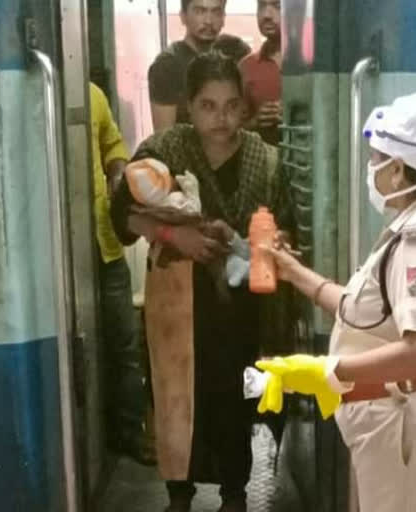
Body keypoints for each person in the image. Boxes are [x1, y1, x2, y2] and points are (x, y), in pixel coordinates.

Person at [258, 93, 416, 512]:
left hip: (409, 420)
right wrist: (292, 271)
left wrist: (329, 371)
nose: (371, 168)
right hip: (404, 417)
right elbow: (366, 314)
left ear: (397, 171)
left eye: (376, 158)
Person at [111, 51, 294, 512]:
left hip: (243, 306)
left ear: (245, 108)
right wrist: (175, 234)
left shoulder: (266, 160)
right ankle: (179, 494)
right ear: (189, 107)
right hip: (177, 303)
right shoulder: (164, 151)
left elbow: (287, 228)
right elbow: (120, 213)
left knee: (235, 397)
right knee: (175, 396)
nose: (222, 117)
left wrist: (267, 243)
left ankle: (235, 491)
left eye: (232, 105)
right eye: (208, 106)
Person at [88, 83, 153, 464]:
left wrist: (117, 173)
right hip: (58, 246)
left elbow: (113, 145)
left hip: (104, 243)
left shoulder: (93, 95)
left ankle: (129, 432)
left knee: (124, 343)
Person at [148, 0, 249, 131]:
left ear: (223, 17)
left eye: (216, 12)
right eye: (200, 11)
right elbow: (163, 137)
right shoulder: (167, 65)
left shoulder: (235, 51)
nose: (208, 20)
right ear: (183, 16)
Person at [239, 0, 283, 145]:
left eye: (277, 6)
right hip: (263, 163)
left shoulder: (319, 64)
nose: (266, 15)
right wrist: (256, 122)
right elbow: (231, 131)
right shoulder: (246, 67)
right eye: (261, 6)